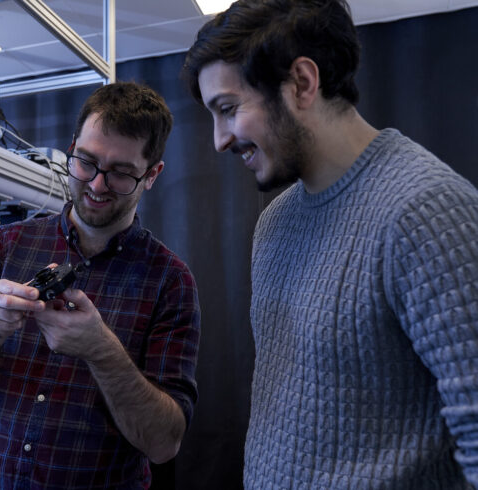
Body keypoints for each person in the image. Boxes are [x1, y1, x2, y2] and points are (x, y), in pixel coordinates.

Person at [182, 0, 478, 488]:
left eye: (228, 109)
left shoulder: (427, 209)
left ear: (301, 83)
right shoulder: (275, 222)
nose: (218, 140)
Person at [0, 82, 201, 489]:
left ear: (152, 175)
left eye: (121, 173)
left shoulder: (170, 281)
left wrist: (102, 351)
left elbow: (164, 443)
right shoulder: (7, 246)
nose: (96, 185)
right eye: (87, 162)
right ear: (73, 146)